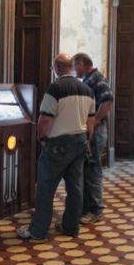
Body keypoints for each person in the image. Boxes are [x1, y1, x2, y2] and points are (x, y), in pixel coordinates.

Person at [17, 53, 95, 243]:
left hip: (58, 143)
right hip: (80, 141)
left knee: (45, 187)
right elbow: (91, 121)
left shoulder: (56, 88)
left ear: (57, 68)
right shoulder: (87, 90)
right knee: (75, 187)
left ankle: (38, 231)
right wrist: (87, 141)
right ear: (72, 67)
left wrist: (41, 137)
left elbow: (45, 118)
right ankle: (71, 226)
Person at [72, 53, 114, 225]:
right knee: (88, 168)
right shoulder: (89, 79)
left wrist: (95, 120)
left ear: (81, 64)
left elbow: (107, 101)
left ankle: (95, 210)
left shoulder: (97, 78)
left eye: (74, 66)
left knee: (93, 169)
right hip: (91, 129)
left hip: (96, 131)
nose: (74, 70)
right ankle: (87, 207)